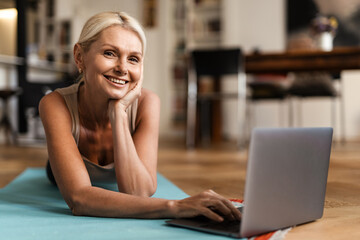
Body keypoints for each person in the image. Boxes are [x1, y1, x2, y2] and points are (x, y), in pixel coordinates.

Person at [39, 11, 240, 222]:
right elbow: (79, 199)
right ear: (80, 56)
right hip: (56, 172)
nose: (122, 68)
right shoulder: (55, 104)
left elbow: (138, 193)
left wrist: (118, 112)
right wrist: (175, 206)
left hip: (120, 145)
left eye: (133, 59)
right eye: (109, 53)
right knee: (58, 172)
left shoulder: (147, 102)